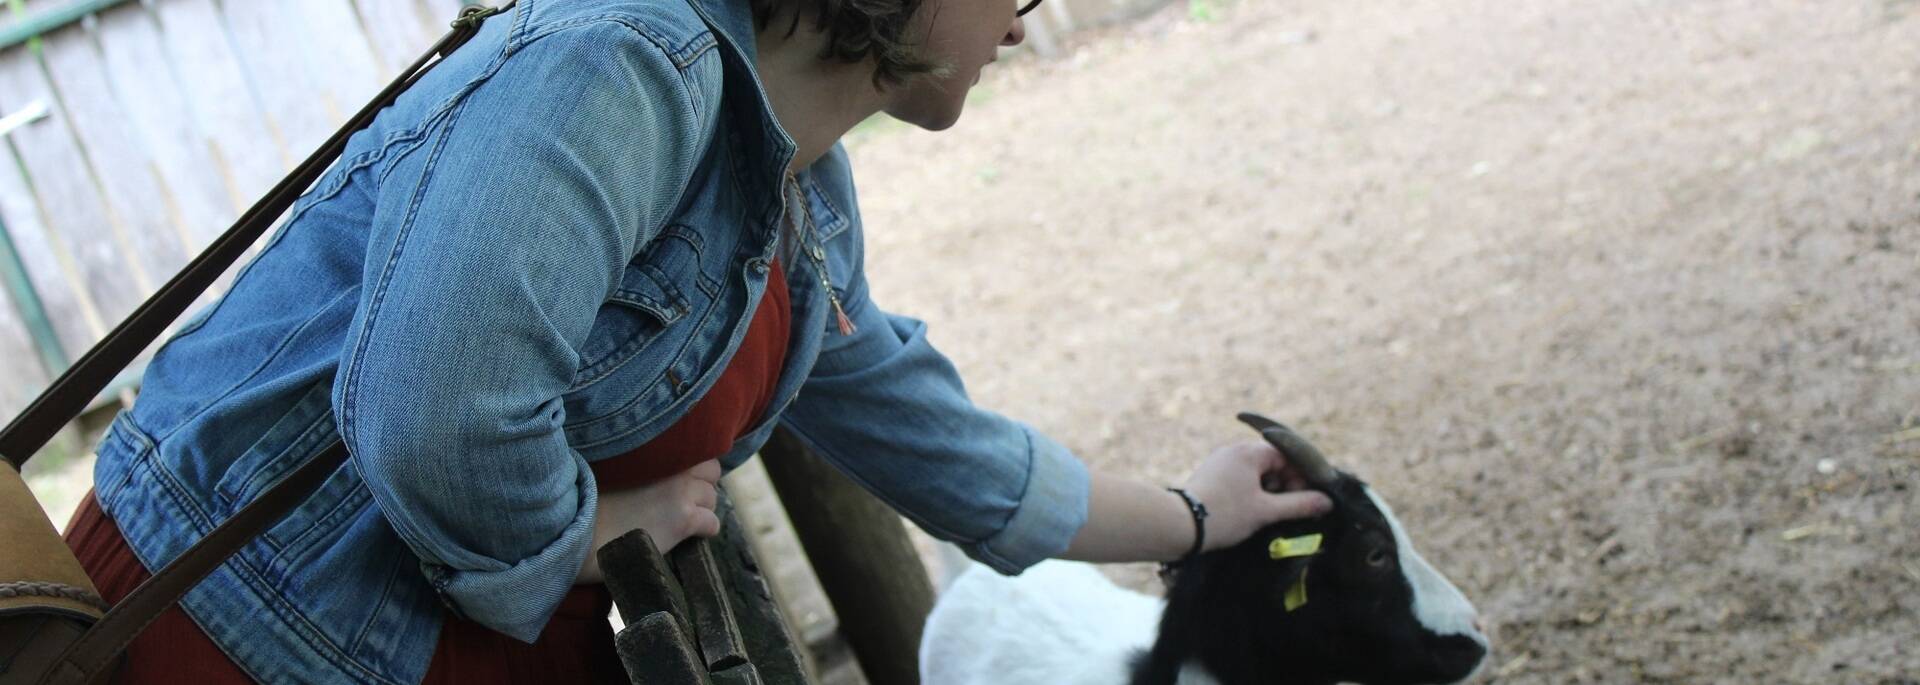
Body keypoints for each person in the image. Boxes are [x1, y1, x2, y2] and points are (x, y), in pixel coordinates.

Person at [63, 0, 1334, 681]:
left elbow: (943, 446)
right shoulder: (619, 62)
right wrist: (596, 538)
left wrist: (1195, 511)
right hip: (255, 640)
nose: (1026, 14)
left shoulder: (799, 197)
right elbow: (437, 414)